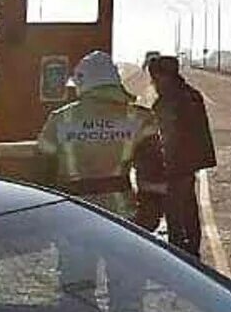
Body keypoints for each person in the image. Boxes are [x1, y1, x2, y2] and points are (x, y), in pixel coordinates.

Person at [35, 51, 165, 225]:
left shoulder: (60, 118)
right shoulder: (140, 118)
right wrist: (151, 215)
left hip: (71, 216)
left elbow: (44, 172)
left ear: (82, 83)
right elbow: (152, 173)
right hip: (121, 218)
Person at [146, 54, 217, 258]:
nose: (153, 82)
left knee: (175, 210)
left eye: (155, 77)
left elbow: (167, 135)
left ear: (164, 76)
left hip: (176, 164)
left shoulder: (170, 99)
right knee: (188, 207)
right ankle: (191, 250)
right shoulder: (190, 94)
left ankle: (179, 254)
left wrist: (159, 164)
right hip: (190, 162)